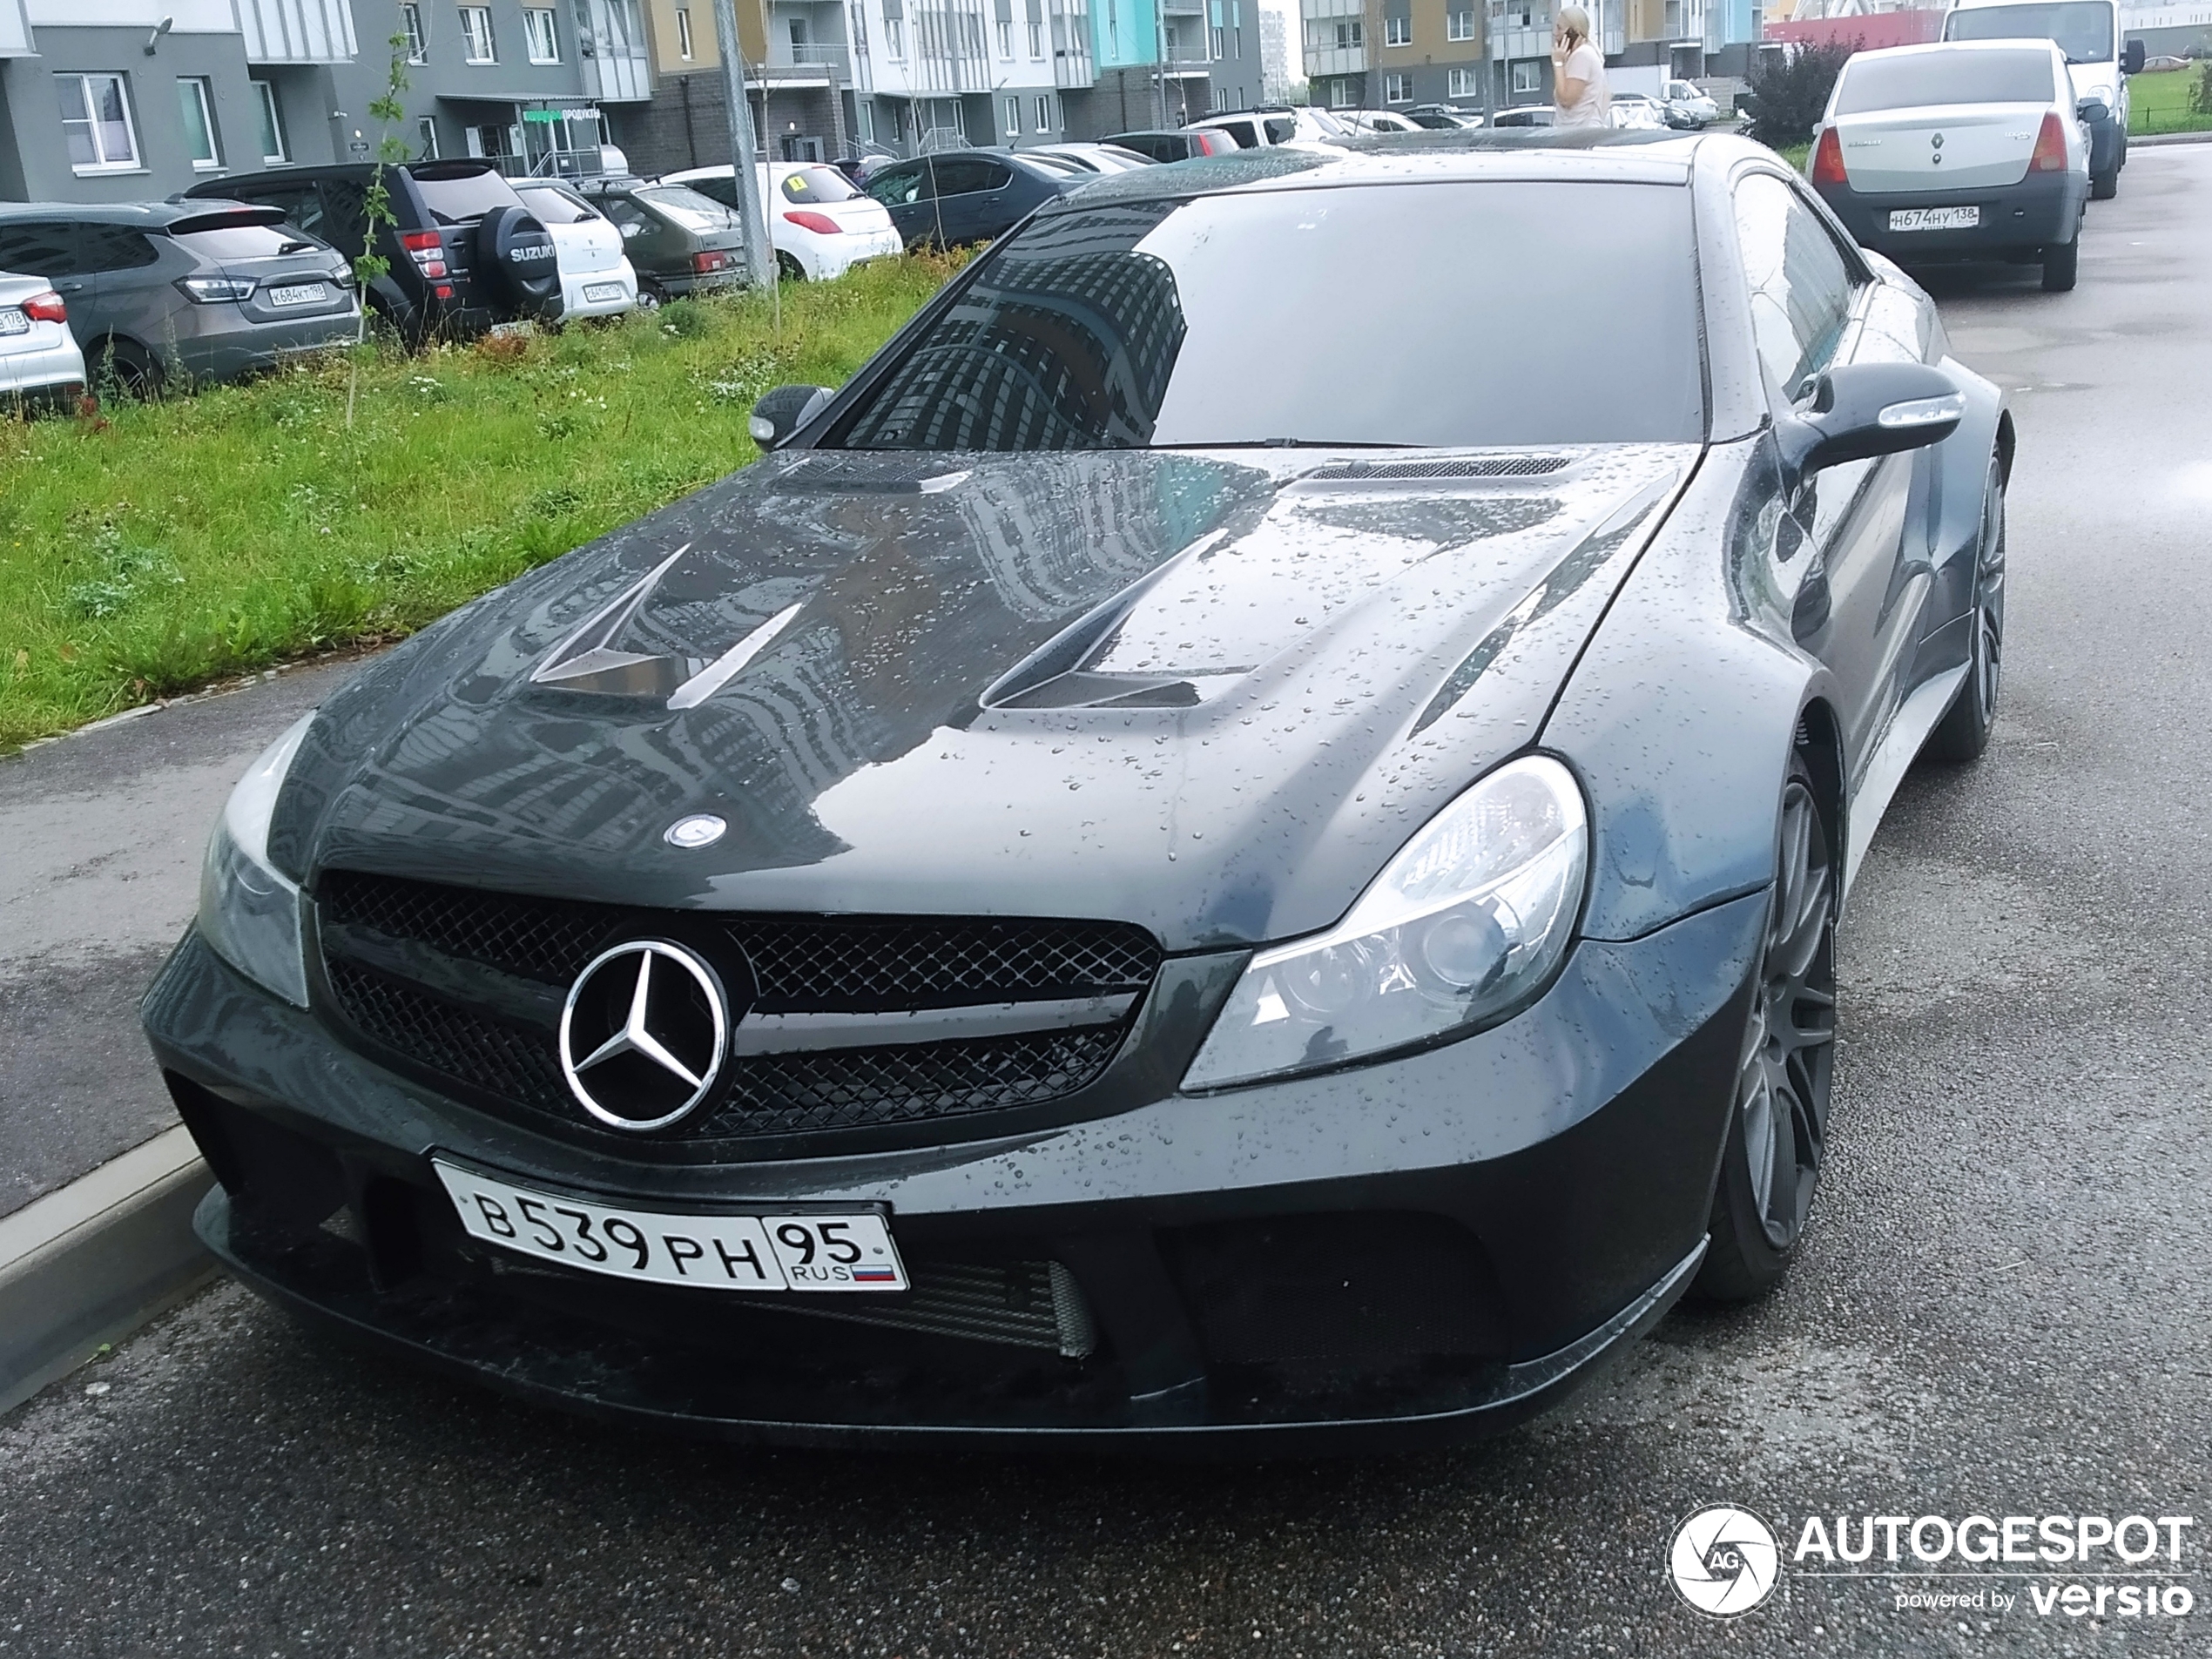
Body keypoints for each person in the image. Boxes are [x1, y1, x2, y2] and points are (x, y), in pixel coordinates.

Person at [1550, 6, 1611, 130]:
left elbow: (1566, 99)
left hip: (1577, 132)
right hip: (1581, 130)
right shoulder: (1588, 53)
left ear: (1574, 32)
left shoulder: (1582, 55)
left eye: (1559, 28)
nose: (1555, 33)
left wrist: (1558, 63)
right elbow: (1607, 94)